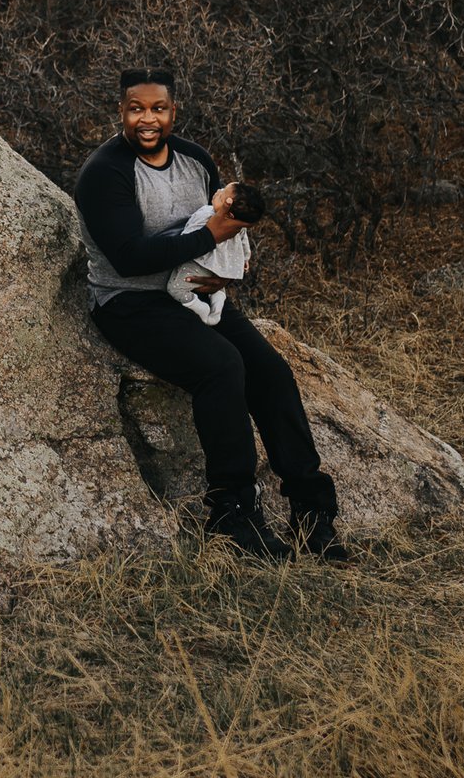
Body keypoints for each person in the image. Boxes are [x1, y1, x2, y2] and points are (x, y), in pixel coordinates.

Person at [73, 68, 345, 560]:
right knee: (222, 367)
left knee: (272, 371)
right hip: (128, 302)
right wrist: (211, 239)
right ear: (122, 112)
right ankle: (232, 513)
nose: (148, 119)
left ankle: (312, 511)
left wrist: (226, 272)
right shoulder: (104, 172)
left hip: (196, 288)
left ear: (173, 112)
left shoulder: (195, 160)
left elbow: (229, 223)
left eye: (158, 108)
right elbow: (129, 258)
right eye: (137, 108)